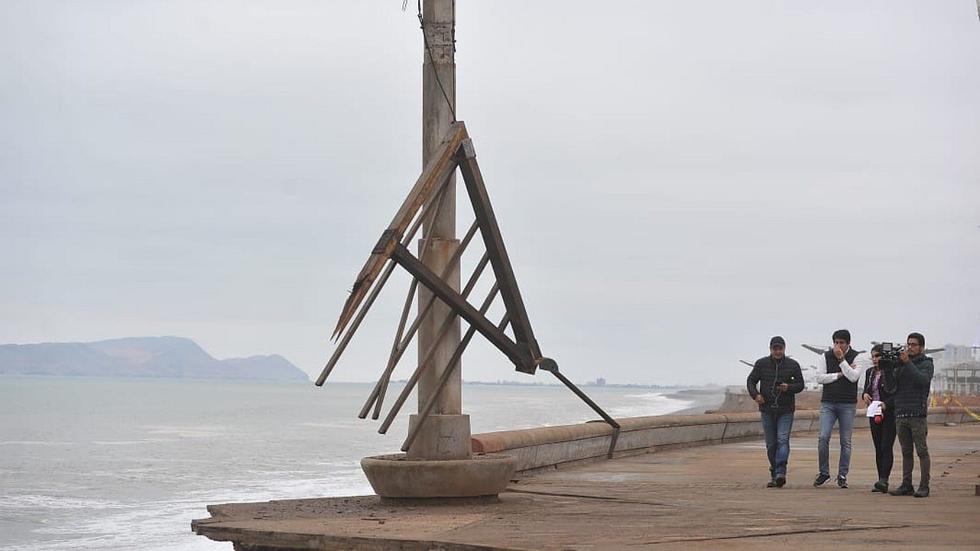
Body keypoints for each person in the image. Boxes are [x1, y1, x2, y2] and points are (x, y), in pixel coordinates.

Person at [747, 336, 805, 488]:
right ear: (770, 349)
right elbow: (751, 380)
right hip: (767, 409)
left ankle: (781, 472)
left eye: (780, 348)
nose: (778, 351)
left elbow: (800, 385)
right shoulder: (761, 364)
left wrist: (788, 387)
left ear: (784, 349)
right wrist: (756, 395)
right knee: (771, 444)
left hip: (786, 410)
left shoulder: (793, 365)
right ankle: (774, 474)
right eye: (775, 349)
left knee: (782, 439)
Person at [886, 332, 935, 498]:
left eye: (914, 345)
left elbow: (922, 380)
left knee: (921, 451)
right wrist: (888, 369)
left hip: (917, 414)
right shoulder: (900, 364)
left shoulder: (926, 363)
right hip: (901, 413)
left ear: (921, 347)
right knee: (906, 452)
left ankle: (924, 486)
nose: (910, 347)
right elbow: (890, 388)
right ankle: (906, 485)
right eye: (908, 344)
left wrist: (907, 363)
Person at [812, 329, 863, 488]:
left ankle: (842, 475)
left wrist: (842, 360)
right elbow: (820, 378)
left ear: (848, 343)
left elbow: (854, 377)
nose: (838, 346)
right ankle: (824, 472)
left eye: (841, 343)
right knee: (823, 437)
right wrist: (839, 375)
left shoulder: (857, 356)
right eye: (836, 342)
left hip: (847, 404)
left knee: (845, 441)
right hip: (828, 403)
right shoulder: (825, 356)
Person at [862, 344, 896, 493]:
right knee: (878, 447)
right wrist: (864, 395)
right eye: (873, 356)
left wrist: (886, 404)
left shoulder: (891, 371)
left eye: (878, 356)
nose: (875, 359)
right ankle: (880, 479)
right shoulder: (870, 372)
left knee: (886, 445)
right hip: (873, 411)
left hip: (889, 412)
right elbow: (867, 389)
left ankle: (884, 479)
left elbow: (896, 391)